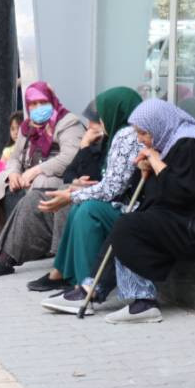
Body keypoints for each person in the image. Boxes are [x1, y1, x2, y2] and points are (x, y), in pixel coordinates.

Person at [100, 99, 195, 323]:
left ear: (159, 125)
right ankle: (100, 288)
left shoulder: (191, 144)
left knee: (129, 227)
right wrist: (148, 171)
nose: (141, 139)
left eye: (143, 133)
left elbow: (181, 192)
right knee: (129, 223)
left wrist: (155, 161)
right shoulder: (173, 144)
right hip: (189, 222)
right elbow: (160, 196)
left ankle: (143, 301)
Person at [30, 87, 145, 302]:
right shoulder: (117, 134)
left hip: (135, 211)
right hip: (124, 204)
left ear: (115, 111)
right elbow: (88, 176)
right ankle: (71, 279)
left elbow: (111, 188)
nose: (96, 122)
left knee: (87, 210)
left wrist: (73, 194)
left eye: (101, 115)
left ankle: (86, 288)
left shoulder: (126, 135)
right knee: (78, 206)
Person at [0, 82, 85, 277]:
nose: (37, 108)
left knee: (40, 186)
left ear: (51, 100)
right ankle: (6, 253)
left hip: (58, 179)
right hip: (31, 176)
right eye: (32, 104)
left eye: (42, 102)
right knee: (3, 178)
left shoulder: (68, 122)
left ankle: (10, 256)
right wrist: (14, 172)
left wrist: (36, 171)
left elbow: (71, 157)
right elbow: (15, 157)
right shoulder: (27, 127)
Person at [0, 111, 24, 189]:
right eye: (13, 129)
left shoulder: (28, 146)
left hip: (17, 174)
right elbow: (0, 166)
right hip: (5, 175)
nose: (16, 132)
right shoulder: (8, 150)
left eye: (19, 129)